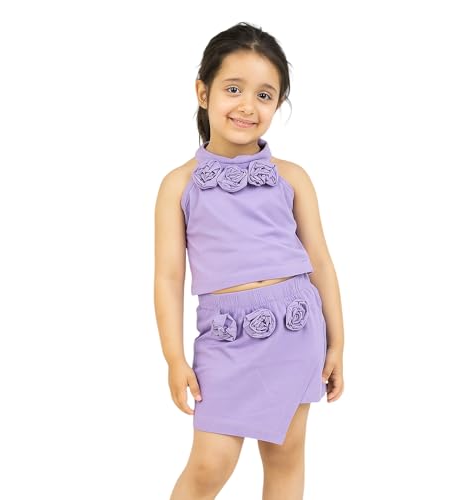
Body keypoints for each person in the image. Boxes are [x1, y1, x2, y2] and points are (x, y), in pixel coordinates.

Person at [154, 21, 345, 500]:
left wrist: (338, 343)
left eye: (264, 95)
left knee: (285, 456)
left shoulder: (292, 177)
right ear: (203, 92)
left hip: (295, 328)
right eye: (233, 89)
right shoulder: (179, 184)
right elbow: (169, 276)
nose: (247, 106)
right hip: (225, 338)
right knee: (210, 465)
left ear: (277, 105)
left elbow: (320, 263)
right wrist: (174, 357)